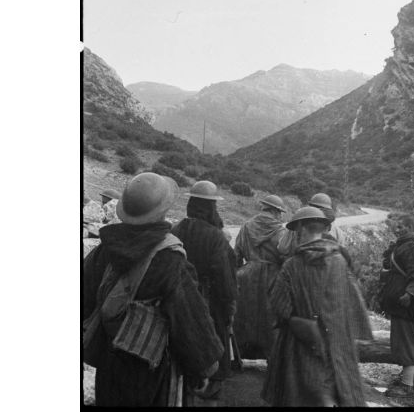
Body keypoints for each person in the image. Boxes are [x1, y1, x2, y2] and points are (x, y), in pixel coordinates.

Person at [83, 172, 224, 407]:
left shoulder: (103, 251)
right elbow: (190, 321)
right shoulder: (169, 260)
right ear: (162, 211)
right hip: (151, 369)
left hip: (109, 364)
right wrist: (205, 367)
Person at [262, 206, 369, 407]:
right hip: (337, 341)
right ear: (323, 229)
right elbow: (354, 304)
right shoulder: (339, 261)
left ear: (301, 229)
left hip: (300, 341)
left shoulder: (291, 265)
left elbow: (278, 306)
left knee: (301, 392)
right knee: (336, 390)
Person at [171, 180, 237, 406]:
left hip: (177, 301)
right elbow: (225, 283)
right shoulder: (215, 236)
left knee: (182, 362)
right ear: (212, 207)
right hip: (208, 304)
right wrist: (229, 309)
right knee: (213, 361)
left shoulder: (175, 229)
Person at [379, 213, 414, 397]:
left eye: (401, 227)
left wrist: (409, 294)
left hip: (405, 304)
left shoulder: (410, 247)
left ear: (410, 228)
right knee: (404, 340)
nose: (397, 229)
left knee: (405, 342)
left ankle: (406, 385)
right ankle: (409, 379)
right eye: (397, 226)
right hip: (400, 303)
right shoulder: (404, 245)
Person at [233, 194, 287, 359]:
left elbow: (236, 254)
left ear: (264, 208)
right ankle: (271, 356)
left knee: (245, 315)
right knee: (271, 317)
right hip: (273, 276)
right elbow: (285, 257)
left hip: (247, 274)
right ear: (276, 211)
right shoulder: (281, 231)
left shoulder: (246, 226)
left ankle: (239, 354)